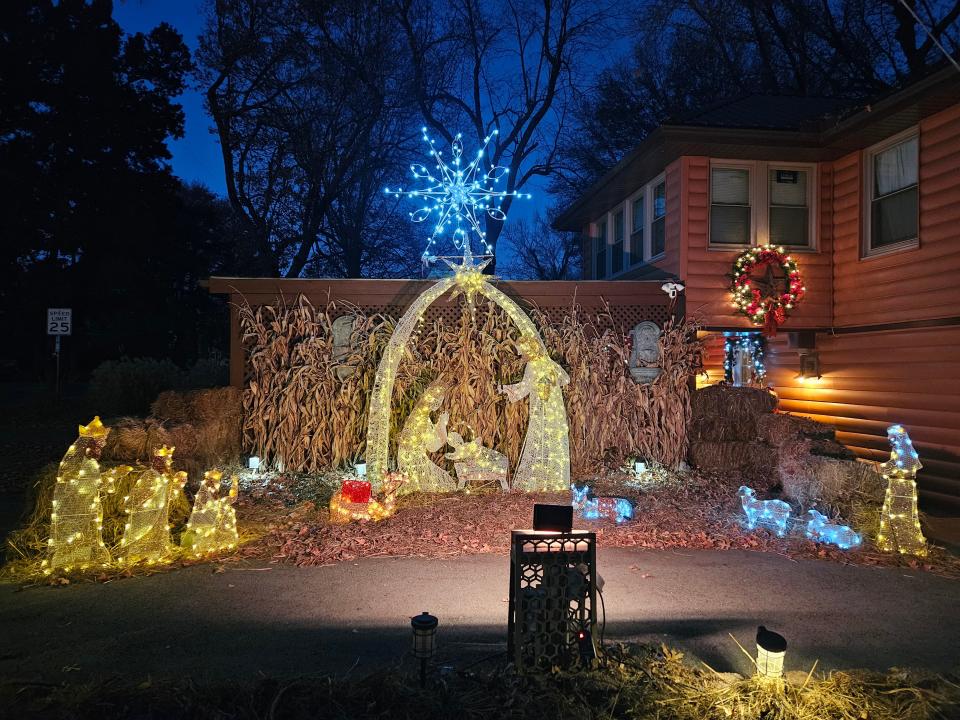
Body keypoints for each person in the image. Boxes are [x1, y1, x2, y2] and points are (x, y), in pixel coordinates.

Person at [500, 336, 570, 492]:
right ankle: (553, 478)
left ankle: (542, 478)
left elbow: (525, 387)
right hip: (554, 408)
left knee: (539, 436)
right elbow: (565, 378)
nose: (521, 355)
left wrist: (504, 388)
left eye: (521, 351)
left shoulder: (533, 365)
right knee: (549, 438)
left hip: (543, 407)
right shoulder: (547, 362)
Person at [397, 380, 455, 494]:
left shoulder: (418, 414)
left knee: (440, 481)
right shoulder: (422, 418)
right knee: (447, 483)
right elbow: (433, 446)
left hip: (408, 459)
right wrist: (442, 423)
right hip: (413, 461)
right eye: (438, 401)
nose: (438, 404)